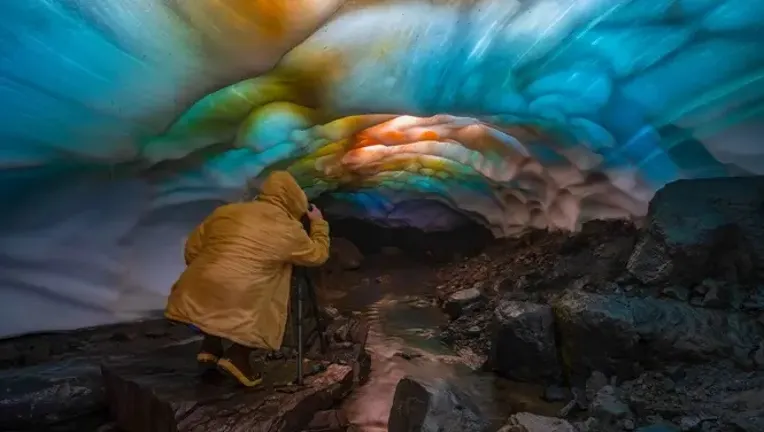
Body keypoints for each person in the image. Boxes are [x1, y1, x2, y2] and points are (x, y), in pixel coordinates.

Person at [165, 170, 330, 387]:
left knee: (224, 285)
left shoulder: (225, 212)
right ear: (295, 199)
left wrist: (209, 271)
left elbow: (193, 248)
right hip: (239, 299)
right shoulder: (289, 229)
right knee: (266, 292)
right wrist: (318, 224)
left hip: (193, 292)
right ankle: (238, 357)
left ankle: (210, 348)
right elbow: (318, 255)